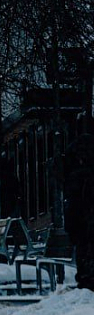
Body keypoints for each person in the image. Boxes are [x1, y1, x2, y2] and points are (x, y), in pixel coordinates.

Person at [64, 123, 94, 290]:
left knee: (84, 248)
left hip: (81, 222)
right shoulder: (84, 176)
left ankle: (85, 279)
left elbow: (73, 204)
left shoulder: (76, 176)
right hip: (85, 222)